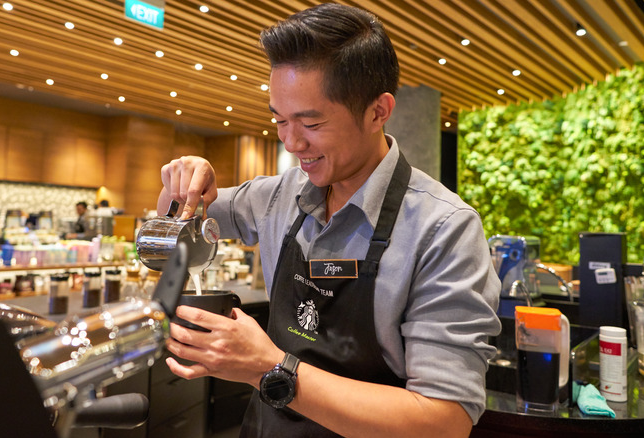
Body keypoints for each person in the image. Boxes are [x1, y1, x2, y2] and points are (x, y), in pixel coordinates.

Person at [157, 4, 500, 437]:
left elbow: (443, 422)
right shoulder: (279, 195)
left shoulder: (443, 228)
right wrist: (181, 183)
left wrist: (269, 368)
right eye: (279, 120)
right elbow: (179, 224)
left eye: (311, 122)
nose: (292, 142)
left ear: (378, 111)